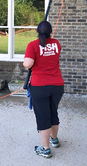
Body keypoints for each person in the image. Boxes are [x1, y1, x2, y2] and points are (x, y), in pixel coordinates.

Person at [23, 20, 64, 158]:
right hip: (57, 85)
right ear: (50, 31)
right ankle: (54, 139)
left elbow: (28, 64)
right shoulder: (57, 43)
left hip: (40, 86)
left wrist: (27, 62)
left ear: (37, 32)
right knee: (53, 112)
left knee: (43, 117)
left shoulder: (33, 45)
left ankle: (45, 149)